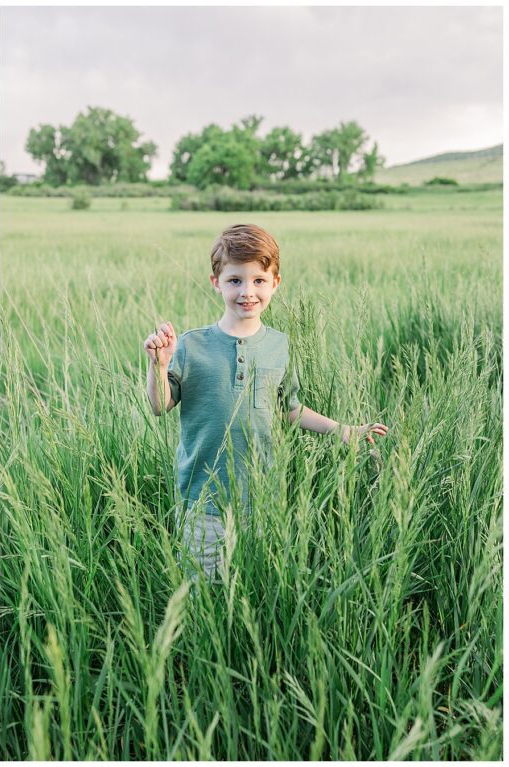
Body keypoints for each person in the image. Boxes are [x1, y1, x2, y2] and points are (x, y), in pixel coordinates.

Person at [143, 223, 388, 580]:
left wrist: (343, 430)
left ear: (275, 282)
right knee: (203, 589)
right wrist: (159, 366)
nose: (247, 292)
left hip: (261, 496)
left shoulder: (279, 346)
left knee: (253, 586)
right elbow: (158, 405)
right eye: (235, 281)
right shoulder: (192, 345)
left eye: (258, 280)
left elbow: (290, 408)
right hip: (203, 500)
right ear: (216, 282)